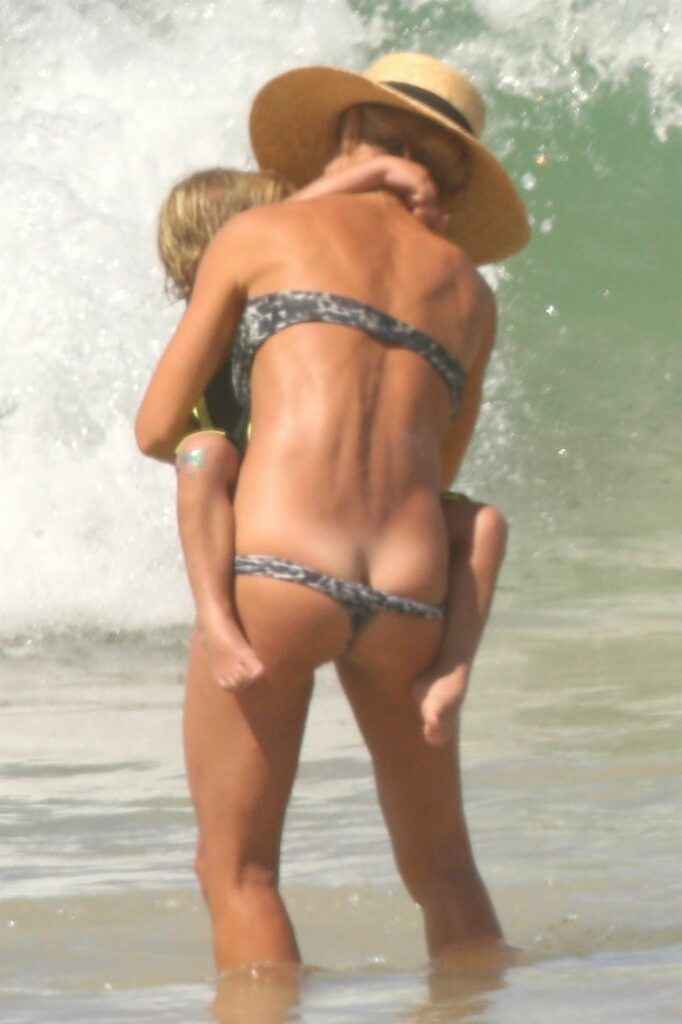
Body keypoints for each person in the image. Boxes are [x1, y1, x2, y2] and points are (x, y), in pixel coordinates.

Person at [135, 51, 529, 972]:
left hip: (275, 577)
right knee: (444, 872)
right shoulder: (471, 295)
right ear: (457, 174)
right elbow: (438, 473)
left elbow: (158, 428)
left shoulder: (262, 234)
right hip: (408, 592)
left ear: (347, 129)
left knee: (239, 870)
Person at [158, 164, 509, 742]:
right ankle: (218, 622)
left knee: (483, 523)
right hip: (284, 509)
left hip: (297, 538)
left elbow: (154, 434)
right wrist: (369, 172)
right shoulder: (232, 301)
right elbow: (273, 224)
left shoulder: (277, 297)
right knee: (203, 456)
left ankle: (452, 669)